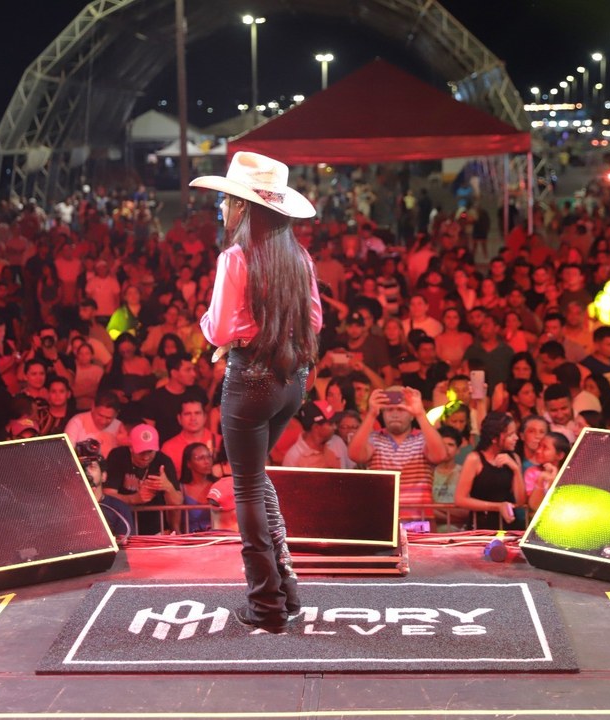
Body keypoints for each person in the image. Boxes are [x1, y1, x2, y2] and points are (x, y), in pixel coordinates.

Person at [192, 151, 323, 633]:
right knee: (257, 477)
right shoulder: (299, 256)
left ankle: (266, 604)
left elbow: (220, 327)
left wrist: (214, 327)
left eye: (226, 201)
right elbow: (314, 322)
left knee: (246, 485)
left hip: (249, 380)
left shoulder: (236, 257)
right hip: (292, 381)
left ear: (244, 207)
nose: (222, 209)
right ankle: (285, 586)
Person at [349, 385, 449, 517]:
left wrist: (420, 413)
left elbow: (440, 455)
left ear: (411, 415)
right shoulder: (374, 438)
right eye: (389, 410)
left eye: (401, 409)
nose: (395, 414)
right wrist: (372, 413)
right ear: (383, 414)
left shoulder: (424, 438)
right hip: (383, 519)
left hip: (420, 520)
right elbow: (354, 455)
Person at [453, 411, 526, 531]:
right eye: (510, 435)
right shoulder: (474, 459)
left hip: (508, 526)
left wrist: (516, 469)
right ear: (494, 438)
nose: (516, 438)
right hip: (481, 527)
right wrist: (497, 507)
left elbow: (520, 501)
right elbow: (460, 499)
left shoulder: (514, 458)